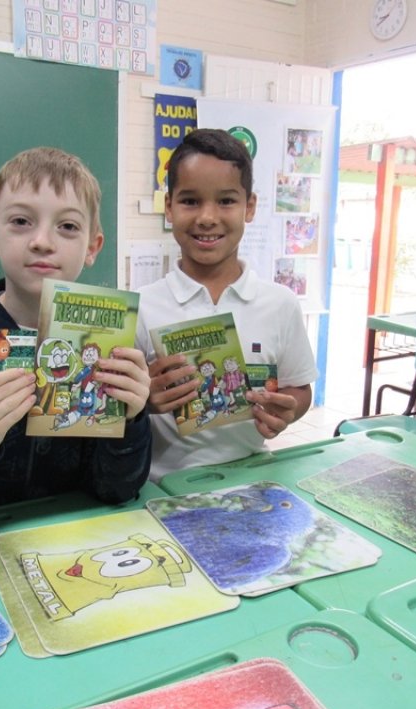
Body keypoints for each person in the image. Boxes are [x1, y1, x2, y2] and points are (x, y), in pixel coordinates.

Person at [0, 147, 152, 527]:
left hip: (76, 540)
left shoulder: (110, 348)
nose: (42, 241)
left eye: (67, 226)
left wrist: (131, 420)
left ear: (93, 247)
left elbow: (118, 491)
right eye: (21, 221)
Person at [136, 128, 317, 482]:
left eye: (226, 201)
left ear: (249, 206)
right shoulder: (142, 307)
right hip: (160, 487)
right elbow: (117, 407)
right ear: (168, 206)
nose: (207, 217)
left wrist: (287, 412)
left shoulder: (280, 304)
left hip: (251, 479)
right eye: (190, 201)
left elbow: (300, 388)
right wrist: (144, 401)